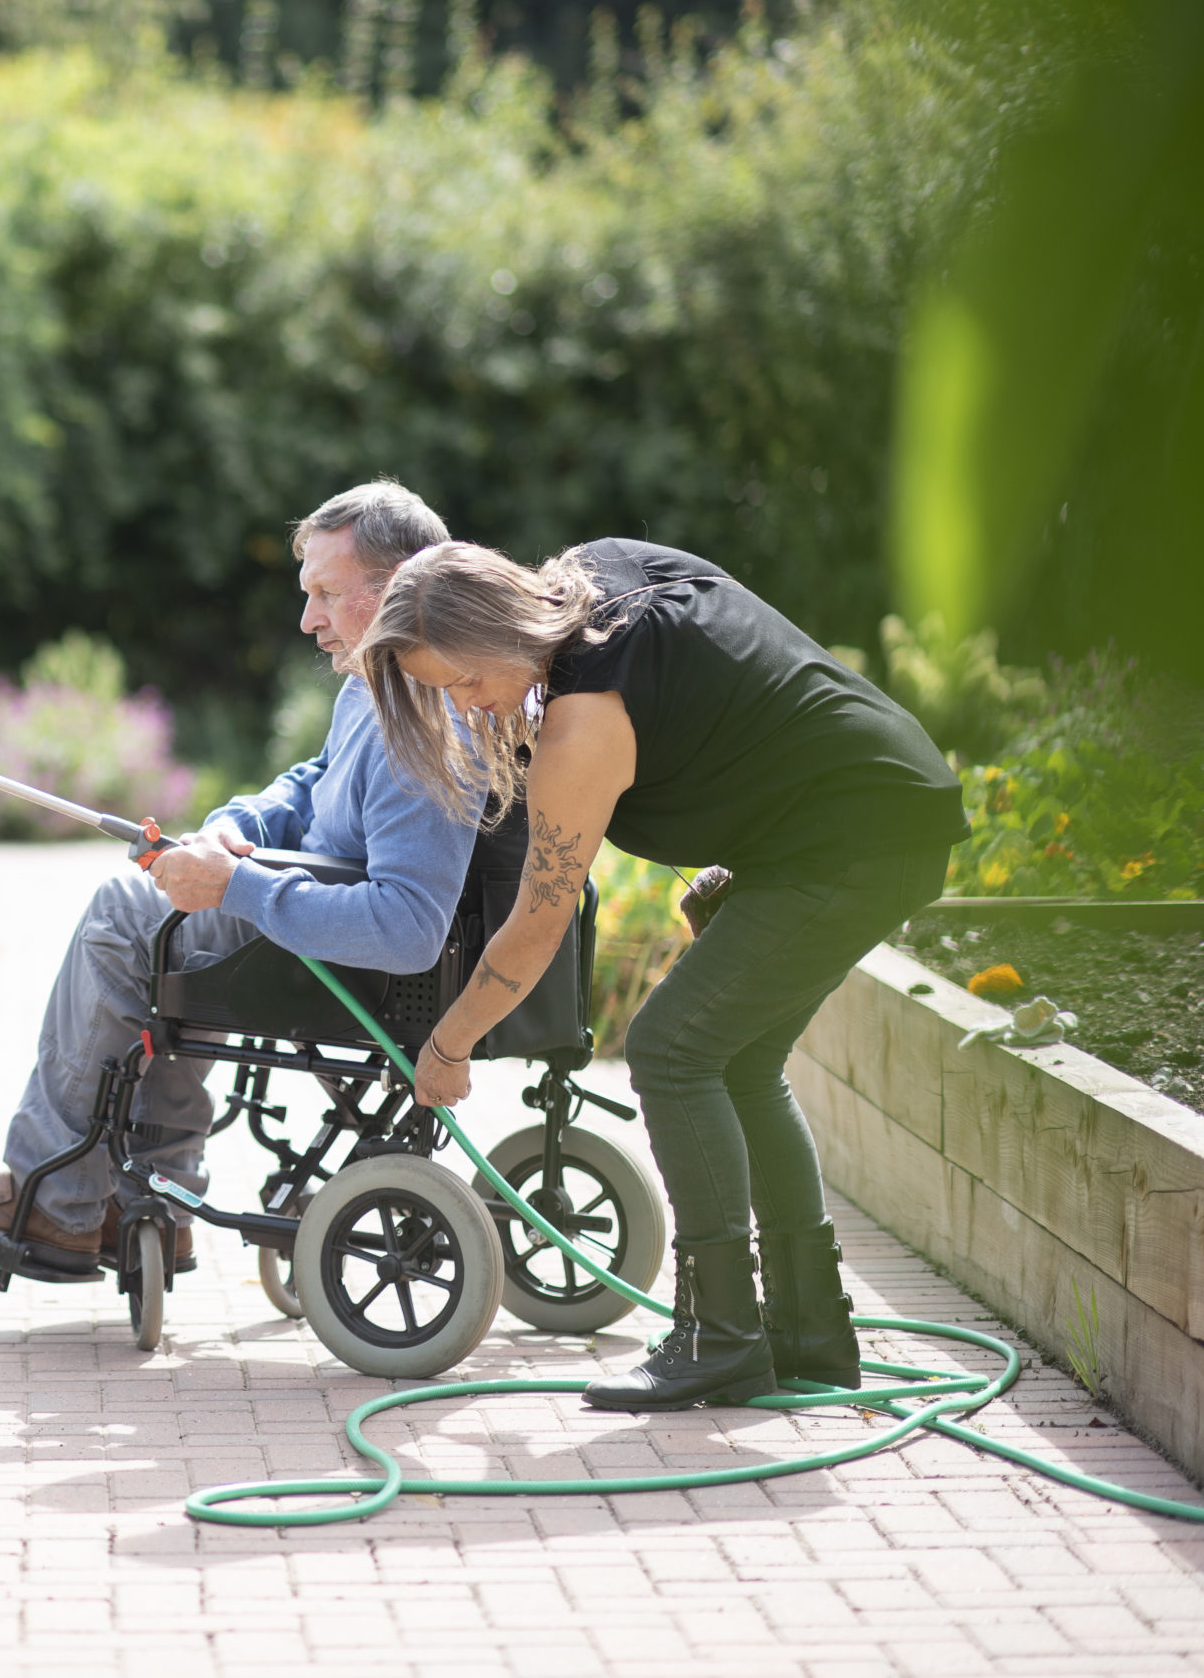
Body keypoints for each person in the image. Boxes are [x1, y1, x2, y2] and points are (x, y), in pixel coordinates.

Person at [355, 537, 966, 1410]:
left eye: (461, 680)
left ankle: (720, 1337)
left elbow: (536, 925)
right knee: (741, 1062)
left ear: (491, 625)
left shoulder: (583, 718)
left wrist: (446, 1045)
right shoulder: (603, 569)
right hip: (877, 806)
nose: (467, 702)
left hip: (856, 838)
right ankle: (808, 1331)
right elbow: (740, 692)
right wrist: (745, 862)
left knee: (671, 1050)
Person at [0, 481, 480, 1266]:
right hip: (300, 908)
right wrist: (232, 830)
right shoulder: (378, 683)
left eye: (325, 594)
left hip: (347, 962)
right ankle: (159, 1200)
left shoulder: (428, 724)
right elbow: (312, 780)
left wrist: (233, 887)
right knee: (162, 929)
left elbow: (410, 927)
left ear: (402, 584)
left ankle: (53, 1197)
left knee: (125, 913)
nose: (306, 619)